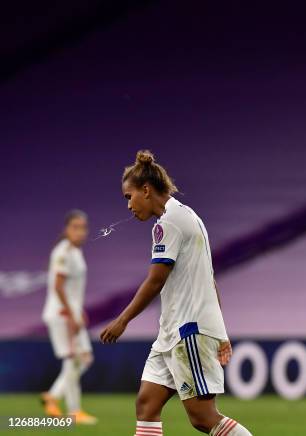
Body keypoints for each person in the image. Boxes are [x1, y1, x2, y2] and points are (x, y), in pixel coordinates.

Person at [100, 150, 251, 436]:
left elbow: (155, 280)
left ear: (146, 190)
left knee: (203, 418)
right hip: (172, 333)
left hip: (188, 332)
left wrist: (122, 320)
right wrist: (220, 330)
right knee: (146, 404)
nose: (129, 206)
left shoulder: (169, 222)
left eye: (128, 197)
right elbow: (209, 279)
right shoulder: (185, 215)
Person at [41, 210, 97, 425]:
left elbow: (72, 289)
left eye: (83, 227)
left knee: (83, 360)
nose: (80, 232)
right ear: (67, 229)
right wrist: (71, 314)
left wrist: (77, 310)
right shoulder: (63, 252)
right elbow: (58, 286)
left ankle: (53, 396)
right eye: (75, 227)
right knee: (74, 360)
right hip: (61, 314)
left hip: (69, 312)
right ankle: (73, 411)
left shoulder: (75, 251)